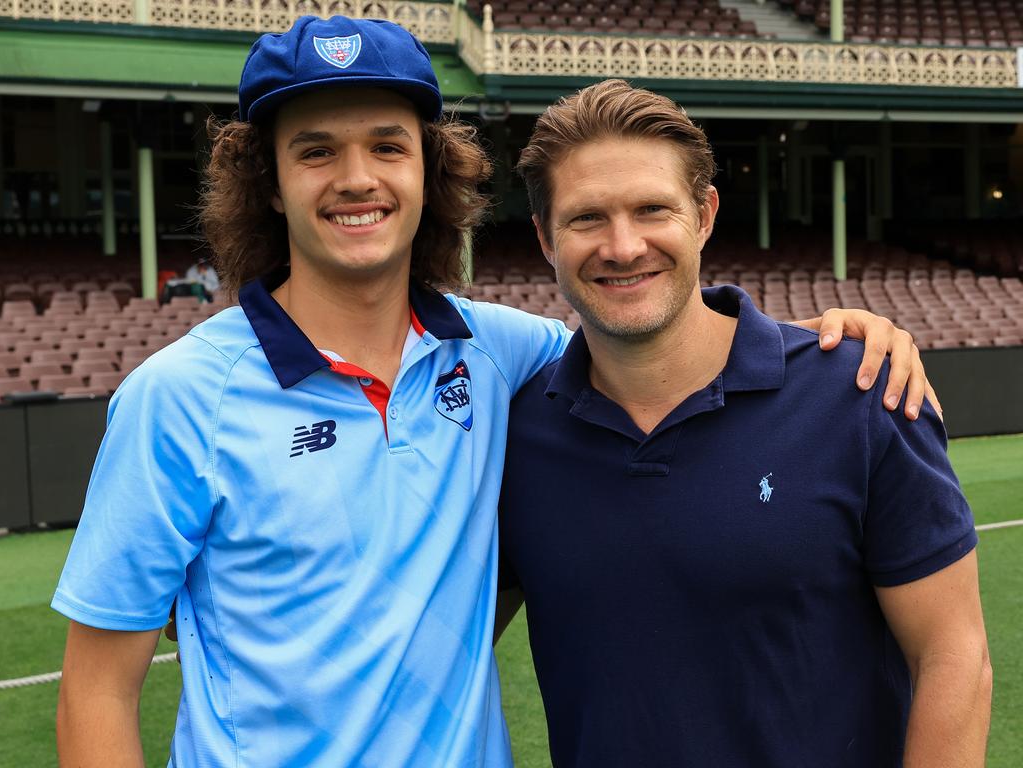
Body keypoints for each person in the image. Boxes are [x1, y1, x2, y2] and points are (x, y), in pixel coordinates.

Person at [52, 17, 931, 768]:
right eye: (315, 151)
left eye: (387, 146)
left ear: (428, 173)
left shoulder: (507, 352)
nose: (356, 178)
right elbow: (95, 689)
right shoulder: (175, 398)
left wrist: (832, 333)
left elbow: (659, 328)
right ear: (270, 185)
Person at [498, 79, 992, 768]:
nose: (622, 245)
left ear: (703, 216)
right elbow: (440, 646)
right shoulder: (513, 436)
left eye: (652, 209)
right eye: (586, 218)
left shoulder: (858, 393)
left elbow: (953, 655)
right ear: (545, 238)